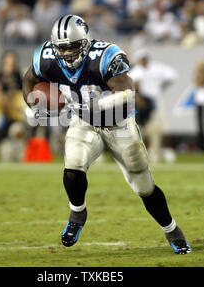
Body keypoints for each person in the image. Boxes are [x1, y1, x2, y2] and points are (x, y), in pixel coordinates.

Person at [22, 14, 191, 254]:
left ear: (85, 42)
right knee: (73, 166)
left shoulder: (105, 56)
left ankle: (172, 230)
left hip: (118, 124)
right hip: (86, 122)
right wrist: (34, 104)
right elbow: (29, 79)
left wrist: (98, 105)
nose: (68, 53)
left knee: (143, 185)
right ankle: (77, 212)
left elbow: (127, 91)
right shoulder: (46, 58)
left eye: (72, 46)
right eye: (62, 48)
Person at [128, 48, 178, 162]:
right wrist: (137, 97)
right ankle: (144, 152)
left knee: (158, 128)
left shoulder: (156, 68)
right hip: (141, 103)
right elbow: (132, 86)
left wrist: (162, 87)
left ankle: (156, 152)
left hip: (154, 101)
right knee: (142, 129)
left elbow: (172, 76)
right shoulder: (136, 71)